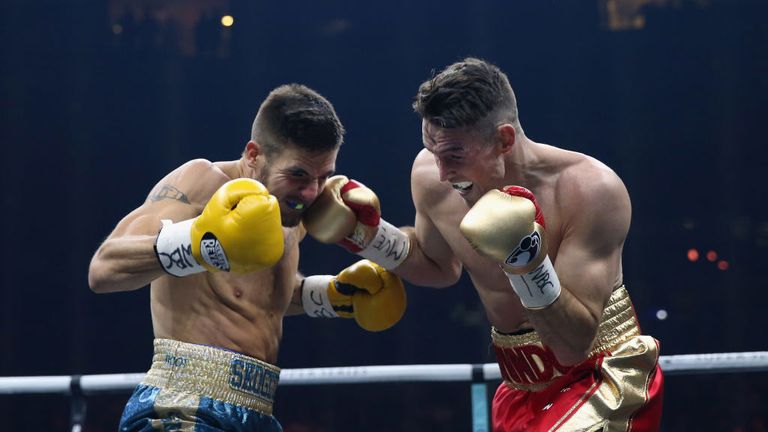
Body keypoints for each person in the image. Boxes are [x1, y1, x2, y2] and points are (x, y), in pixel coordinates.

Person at [304, 58, 663, 431]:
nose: (443, 172)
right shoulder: (430, 174)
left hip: (600, 374)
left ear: (504, 140)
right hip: (518, 384)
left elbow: (572, 346)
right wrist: (366, 235)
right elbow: (437, 267)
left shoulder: (589, 190)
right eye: (432, 149)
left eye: (455, 154)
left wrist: (526, 263)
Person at [88, 84, 407, 432]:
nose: (311, 192)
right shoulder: (202, 183)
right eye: (298, 174)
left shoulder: (291, 211)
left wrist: (329, 296)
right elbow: (104, 268)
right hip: (184, 405)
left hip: (257, 411)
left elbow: (258, 298)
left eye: (323, 176)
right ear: (254, 155)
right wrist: (199, 241)